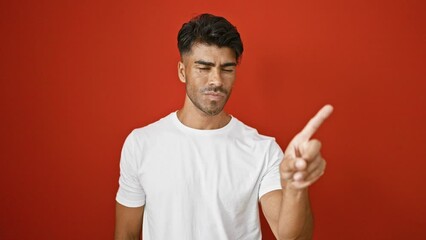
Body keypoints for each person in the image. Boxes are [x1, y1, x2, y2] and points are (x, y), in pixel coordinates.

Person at [114, 13, 333, 240]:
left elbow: (293, 238)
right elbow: (126, 234)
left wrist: (296, 188)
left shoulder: (262, 149)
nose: (217, 80)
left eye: (227, 69)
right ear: (182, 71)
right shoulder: (141, 144)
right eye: (204, 68)